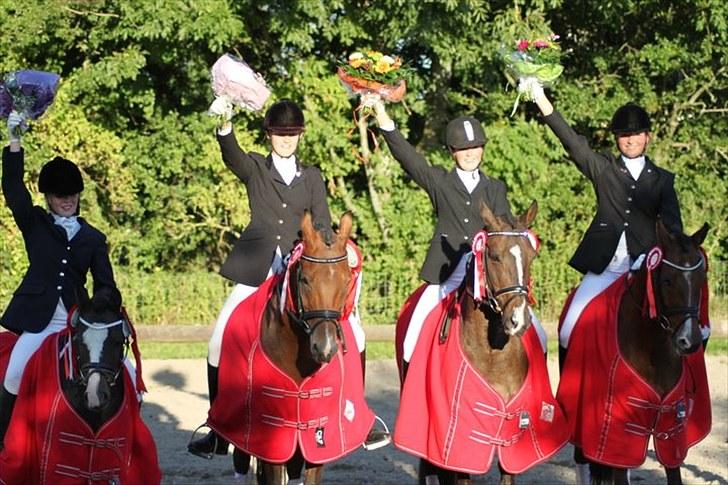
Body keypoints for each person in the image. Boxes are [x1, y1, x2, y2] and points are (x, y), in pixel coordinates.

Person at [188, 98, 390, 460]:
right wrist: (224, 123)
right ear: (269, 135)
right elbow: (231, 154)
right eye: (280, 134)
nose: (286, 140)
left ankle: (360, 419)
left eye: (292, 134)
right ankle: (217, 428)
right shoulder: (255, 168)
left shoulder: (311, 175)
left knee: (355, 332)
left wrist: (335, 251)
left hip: (303, 267)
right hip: (258, 264)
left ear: (300, 136)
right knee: (219, 337)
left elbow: (324, 222)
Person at [525, 81, 684, 485]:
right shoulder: (603, 168)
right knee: (568, 325)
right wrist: (542, 99)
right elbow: (572, 142)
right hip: (605, 270)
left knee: (683, 324)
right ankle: (573, 405)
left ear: (647, 137)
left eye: (636, 134)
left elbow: (674, 230)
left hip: (644, 271)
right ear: (618, 139)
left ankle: (682, 401)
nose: (630, 140)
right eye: (624, 135)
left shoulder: (662, 180)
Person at [363, 94, 546, 366]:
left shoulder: (495, 188)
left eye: (475, 147)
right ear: (452, 151)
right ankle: (412, 381)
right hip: (447, 270)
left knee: (539, 336)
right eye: (463, 148)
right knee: (412, 335)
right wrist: (381, 112)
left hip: (487, 274)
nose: (470, 153)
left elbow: (506, 231)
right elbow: (408, 157)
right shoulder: (440, 182)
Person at [0, 111, 117, 450]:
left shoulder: (93, 238)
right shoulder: (34, 222)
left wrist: (101, 306)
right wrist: (15, 141)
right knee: (13, 375)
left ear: (79, 195)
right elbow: (12, 189)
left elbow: (106, 284)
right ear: (48, 197)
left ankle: (117, 440)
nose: (67, 200)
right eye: (59, 195)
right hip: (38, 324)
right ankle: (4, 445)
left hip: (78, 326)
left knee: (127, 375)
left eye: (72, 194)